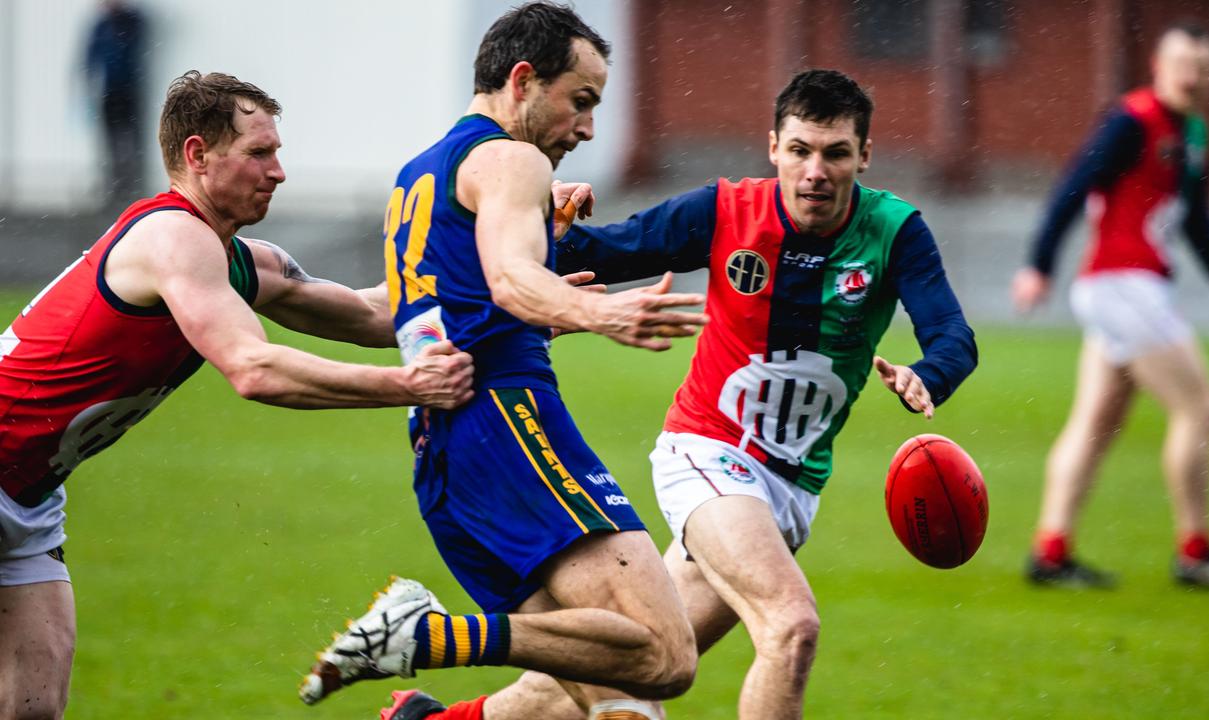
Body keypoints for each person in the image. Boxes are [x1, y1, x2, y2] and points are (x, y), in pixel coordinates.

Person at [371, 68, 978, 720]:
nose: (815, 172)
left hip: (793, 486)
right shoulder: (725, 209)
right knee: (792, 625)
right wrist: (552, 226)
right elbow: (616, 250)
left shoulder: (895, 231)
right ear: (774, 147)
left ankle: (431, 719)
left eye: (835, 154)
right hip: (709, 456)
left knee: (629, 671)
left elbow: (952, 334)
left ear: (864, 155)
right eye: (800, 151)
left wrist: (929, 372)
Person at [0, 70, 475, 720]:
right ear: (197, 155)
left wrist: (515, 291)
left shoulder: (238, 258)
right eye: (259, 153)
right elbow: (254, 369)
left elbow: (371, 312)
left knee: (32, 709)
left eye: (276, 152)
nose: (278, 172)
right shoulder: (173, 239)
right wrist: (411, 386)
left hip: (27, 499)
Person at [298, 5, 706, 720]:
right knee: (664, 653)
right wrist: (602, 311)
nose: (586, 129)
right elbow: (511, 276)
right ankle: (427, 635)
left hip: (446, 451)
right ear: (523, 80)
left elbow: (433, 310)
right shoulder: (512, 159)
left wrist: (547, 309)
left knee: (618, 704)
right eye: (580, 102)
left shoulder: (420, 176)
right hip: (508, 424)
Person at [1011, 22, 1209, 589]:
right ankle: (1196, 551)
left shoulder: (1194, 133)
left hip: (1128, 289)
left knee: (1097, 422)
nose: (1193, 77)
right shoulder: (1130, 120)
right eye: (1183, 63)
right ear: (1159, 64)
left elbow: (1196, 219)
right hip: (1123, 285)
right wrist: (1039, 265)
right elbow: (1072, 186)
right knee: (1200, 408)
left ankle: (1050, 551)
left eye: (1204, 67)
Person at [84, 0, 148, 207]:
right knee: (111, 139)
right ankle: (114, 184)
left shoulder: (130, 21)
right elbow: (90, 57)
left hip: (129, 89)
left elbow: (130, 47)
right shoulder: (101, 25)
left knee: (131, 137)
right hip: (109, 90)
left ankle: (132, 183)